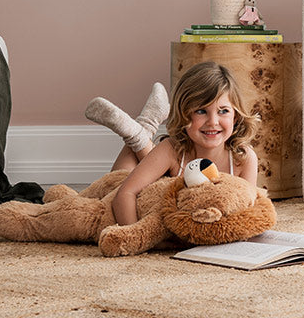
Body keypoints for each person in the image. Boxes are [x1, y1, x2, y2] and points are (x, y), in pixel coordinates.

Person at [84, 61, 259, 226]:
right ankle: (137, 134)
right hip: (151, 196)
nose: (213, 121)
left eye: (223, 111)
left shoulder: (242, 158)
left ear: (235, 116)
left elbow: (249, 212)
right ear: (183, 114)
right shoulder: (171, 149)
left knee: (148, 163)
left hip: (162, 175)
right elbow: (124, 194)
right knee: (118, 181)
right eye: (201, 111)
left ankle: (141, 131)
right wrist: (137, 234)